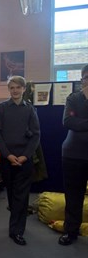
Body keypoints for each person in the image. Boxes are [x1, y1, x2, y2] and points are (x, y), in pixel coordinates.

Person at [0, 75, 40, 246]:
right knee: (12, 196)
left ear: (24, 89)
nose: (15, 90)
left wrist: (25, 156)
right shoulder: (1, 109)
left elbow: (36, 135)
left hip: (24, 159)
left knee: (22, 196)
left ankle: (17, 231)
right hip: (7, 159)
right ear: (9, 89)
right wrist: (8, 155)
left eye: (18, 87)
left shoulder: (30, 110)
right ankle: (17, 223)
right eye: (12, 87)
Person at [58, 64, 88, 246]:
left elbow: (77, 121)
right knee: (73, 195)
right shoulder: (74, 98)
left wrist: (81, 121)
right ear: (81, 80)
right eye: (86, 78)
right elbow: (68, 121)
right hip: (73, 154)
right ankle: (71, 231)